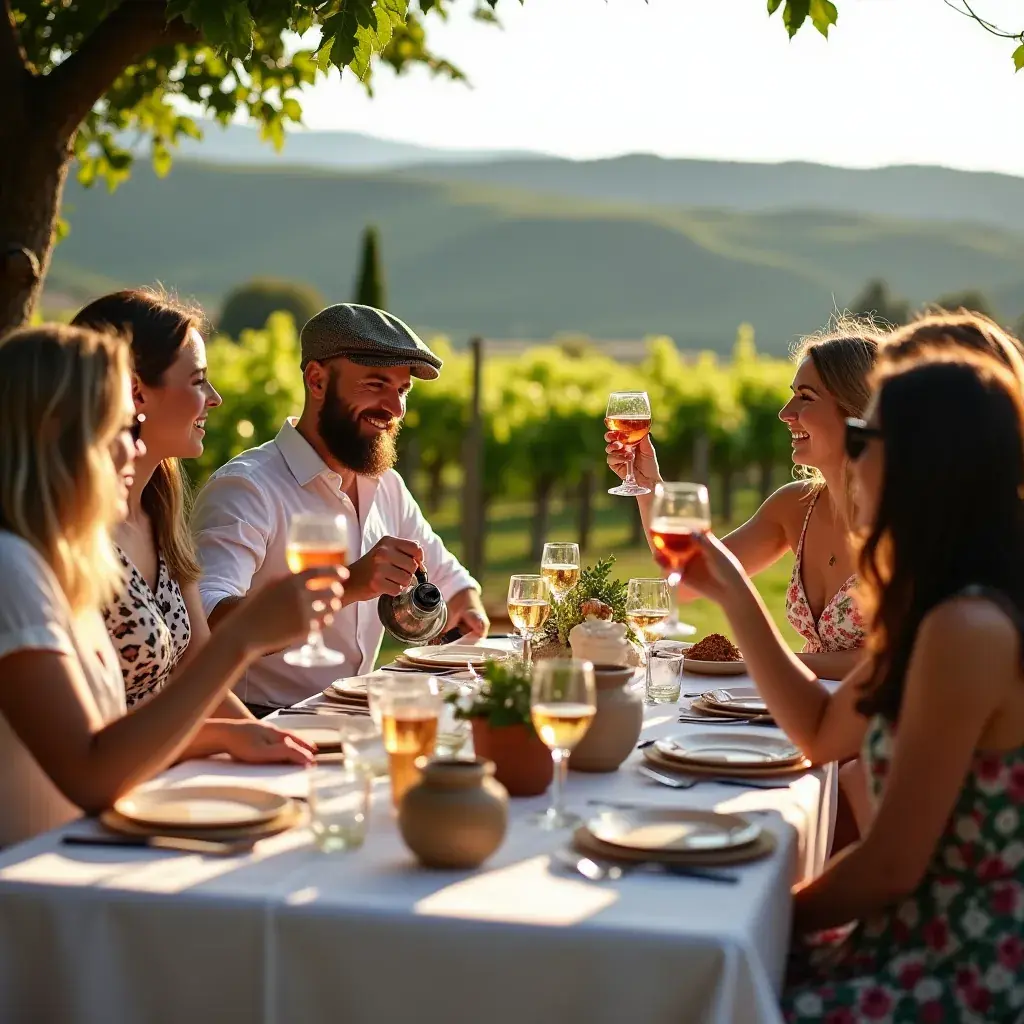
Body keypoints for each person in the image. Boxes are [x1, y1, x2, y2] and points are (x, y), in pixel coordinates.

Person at [680, 349, 1024, 1021]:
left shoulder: (967, 627)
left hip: (963, 961)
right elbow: (821, 732)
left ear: (928, 461)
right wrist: (734, 596)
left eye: (866, 439)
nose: (854, 463)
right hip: (903, 933)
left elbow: (890, 866)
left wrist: (755, 920)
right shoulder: (944, 609)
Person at [0, 324, 345, 847]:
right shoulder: (11, 570)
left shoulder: (54, 565)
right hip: (33, 889)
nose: (130, 448)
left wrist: (225, 735)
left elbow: (104, 736)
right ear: (60, 435)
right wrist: (241, 638)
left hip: (73, 862)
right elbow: (91, 774)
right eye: (119, 426)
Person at [192, 303, 488, 716]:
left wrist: (466, 609)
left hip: (354, 716)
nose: (395, 409)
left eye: (402, 390)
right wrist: (349, 585)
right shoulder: (246, 487)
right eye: (375, 384)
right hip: (259, 722)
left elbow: (453, 582)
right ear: (317, 380)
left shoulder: (385, 485)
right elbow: (204, 624)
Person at [72, 289, 309, 764]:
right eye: (198, 380)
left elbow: (199, 668)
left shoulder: (160, 512)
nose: (215, 399)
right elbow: (84, 746)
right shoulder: (72, 538)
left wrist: (276, 745)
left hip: (165, 777)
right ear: (136, 392)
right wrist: (224, 737)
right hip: (110, 795)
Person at [607, 324, 882, 683]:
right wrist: (648, 485)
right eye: (791, 395)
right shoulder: (795, 506)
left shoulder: (908, 520)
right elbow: (690, 581)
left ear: (857, 409)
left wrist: (761, 661)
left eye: (806, 397)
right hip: (805, 712)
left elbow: (892, 665)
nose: (786, 412)